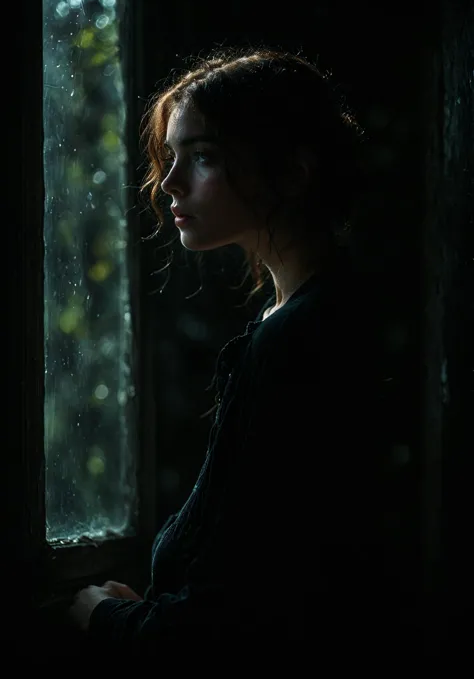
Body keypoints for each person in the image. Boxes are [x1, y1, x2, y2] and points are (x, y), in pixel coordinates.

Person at [69, 47, 405, 659]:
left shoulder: (302, 341)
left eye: (201, 157)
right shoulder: (294, 321)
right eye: (171, 157)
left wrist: (109, 620)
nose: (169, 182)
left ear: (293, 171)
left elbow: (239, 618)